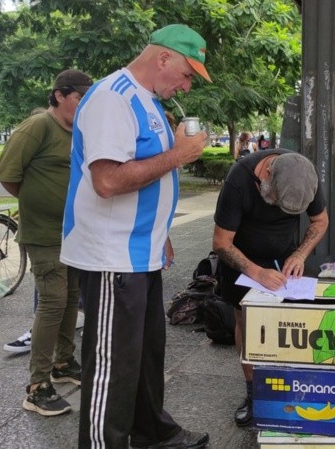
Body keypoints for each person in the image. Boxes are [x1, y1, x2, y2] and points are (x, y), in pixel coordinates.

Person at [60, 24, 211, 448]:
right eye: (186, 74)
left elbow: (152, 176)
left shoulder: (145, 100)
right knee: (114, 364)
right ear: (162, 58)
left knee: (145, 355)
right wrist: (180, 154)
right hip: (112, 255)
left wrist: (160, 232)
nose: (185, 85)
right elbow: (107, 181)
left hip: (139, 250)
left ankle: (151, 433)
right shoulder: (113, 98)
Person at [0, 69, 93, 416]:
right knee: (52, 302)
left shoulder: (79, 131)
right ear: (58, 95)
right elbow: (8, 175)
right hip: (44, 234)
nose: (84, 105)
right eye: (79, 98)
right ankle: (37, 387)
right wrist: (38, 202)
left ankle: (63, 363)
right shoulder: (37, 126)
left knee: (69, 299)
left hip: (73, 232)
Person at [212, 149, 328, 428]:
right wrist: (256, 272)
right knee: (247, 321)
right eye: (276, 201)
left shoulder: (303, 174)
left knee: (290, 323)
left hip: (283, 258)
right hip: (241, 262)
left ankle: (288, 387)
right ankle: (254, 394)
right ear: (266, 177)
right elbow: (221, 243)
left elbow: (320, 220)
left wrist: (300, 254)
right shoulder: (238, 181)